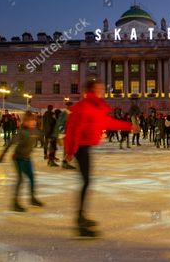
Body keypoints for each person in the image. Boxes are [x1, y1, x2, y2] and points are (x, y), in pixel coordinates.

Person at [65, 79, 134, 237]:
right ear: (91, 90)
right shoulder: (85, 106)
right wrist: (70, 151)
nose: (102, 90)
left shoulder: (94, 106)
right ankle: (80, 220)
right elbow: (74, 129)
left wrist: (129, 126)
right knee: (86, 182)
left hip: (85, 146)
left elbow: (107, 122)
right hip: (80, 147)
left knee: (87, 181)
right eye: (99, 88)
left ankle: (81, 217)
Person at [0, 111, 44, 212]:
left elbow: (41, 137)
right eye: (30, 121)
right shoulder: (22, 132)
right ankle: (15, 203)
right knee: (20, 179)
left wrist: (46, 151)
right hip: (18, 158)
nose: (33, 122)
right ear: (25, 122)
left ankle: (32, 199)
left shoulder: (35, 131)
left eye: (34, 120)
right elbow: (11, 143)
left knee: (31, 177)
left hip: (27, 158)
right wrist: (2, 155)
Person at [52, 102, 76, 169]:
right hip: (65, 134)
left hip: (69, 133)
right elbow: (60, 124)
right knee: (67, 148)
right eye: (71, 106)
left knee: (68, 149)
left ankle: (66, 162)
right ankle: (65, 163)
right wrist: (61, 133)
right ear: (68, 106)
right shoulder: (64, 113)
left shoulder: (70, 113)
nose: (72, 107)